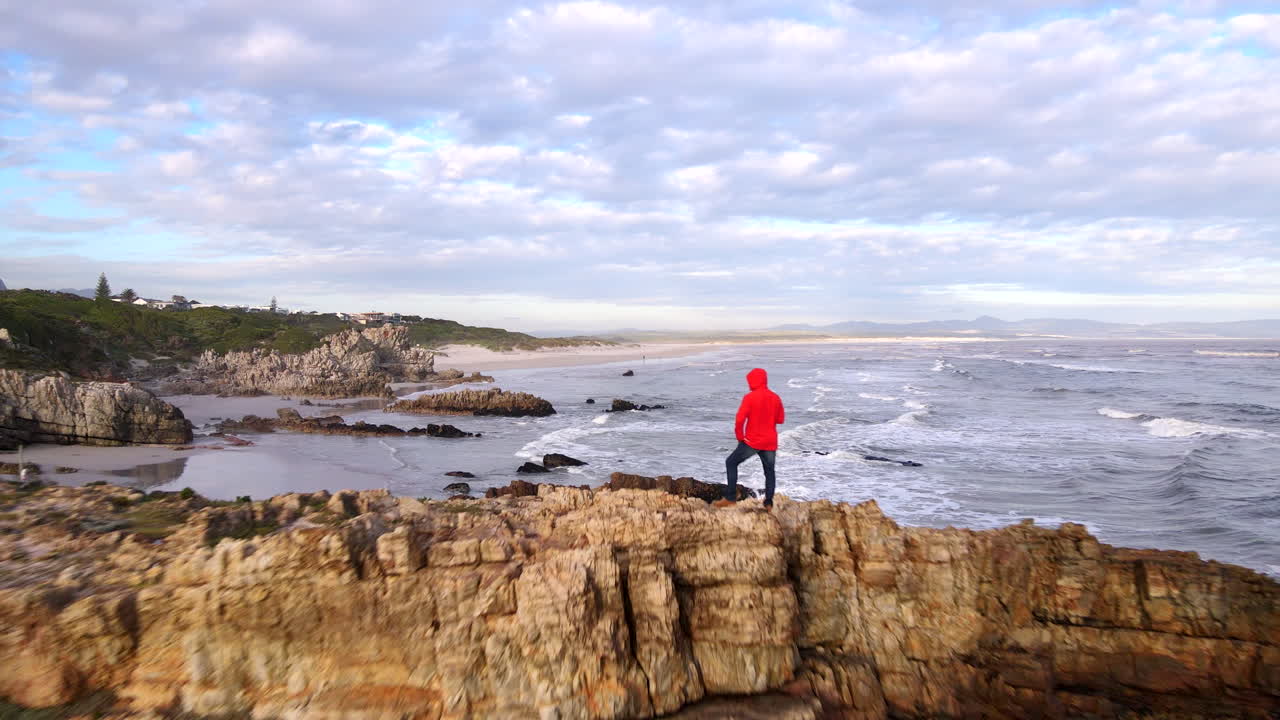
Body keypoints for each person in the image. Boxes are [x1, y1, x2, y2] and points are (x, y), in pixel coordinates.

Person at [714, 367, 784, 509]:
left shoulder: (750, 397)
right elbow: (780, 419)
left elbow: (740, 419)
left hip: (752, 441)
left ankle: (730, 498)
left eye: (750, 381)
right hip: (770, 442)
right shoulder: (775, 397)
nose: (749, 384)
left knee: (731, 462)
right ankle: (768, 502)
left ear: (754, 381)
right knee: (769, 472)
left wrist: (740, 437)